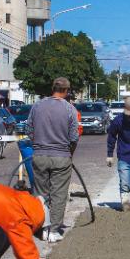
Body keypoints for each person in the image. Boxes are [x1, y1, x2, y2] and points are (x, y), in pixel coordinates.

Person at [28, 77, 80, 242]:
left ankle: (43, 228)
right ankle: (54, 231)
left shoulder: (37, 105)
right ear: (66, 90)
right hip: (61, 157)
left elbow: (29, 129)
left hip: (39, 156)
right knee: (58, 194)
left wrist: (38, 145)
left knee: (41, 194)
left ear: (53, 88)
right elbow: (74, 137)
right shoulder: (69, 109)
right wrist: (69, 153)